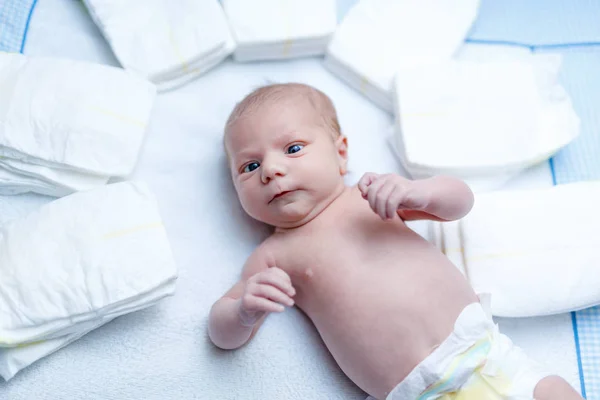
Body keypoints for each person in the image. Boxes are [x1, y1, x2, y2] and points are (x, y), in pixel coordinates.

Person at [208, 83, 582, 400]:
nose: (272, 170)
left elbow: (460, 202)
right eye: (249, 166)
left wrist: (420, 192)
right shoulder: (273, 257)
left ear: (340, 154)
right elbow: (221, 334)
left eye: (292, 149)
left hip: (487, 354)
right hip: (413, 392)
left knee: (552, 392)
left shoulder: (371, 196)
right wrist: (243, 310)